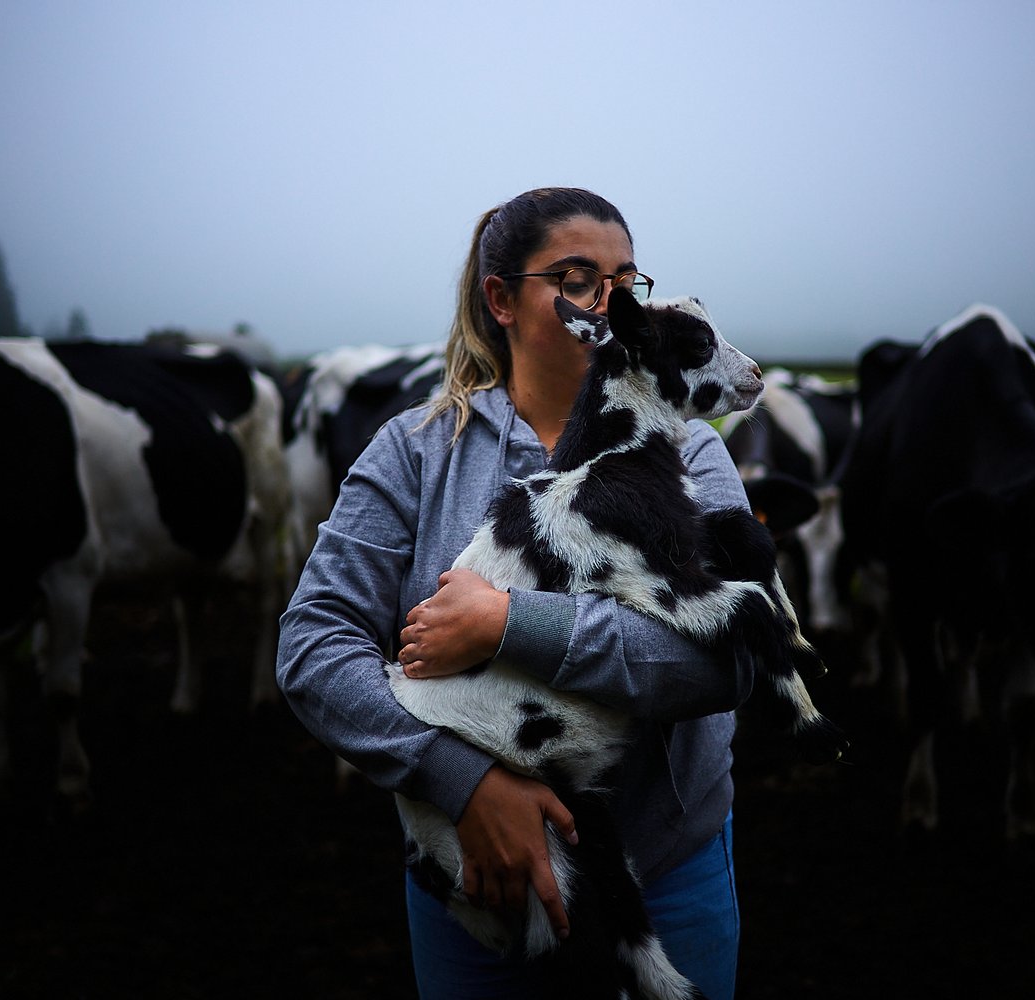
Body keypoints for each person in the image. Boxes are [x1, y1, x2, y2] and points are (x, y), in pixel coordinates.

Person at [276, 186, 753, 999]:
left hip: (668, 878)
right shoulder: (416, 453)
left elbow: (727, 662)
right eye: (577, 279)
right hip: (473, 880)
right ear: (501, 299)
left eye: (627, 281)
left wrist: (507, 623)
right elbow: (314, 644)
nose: (612, 303)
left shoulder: (691, 453)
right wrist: (460, 781)